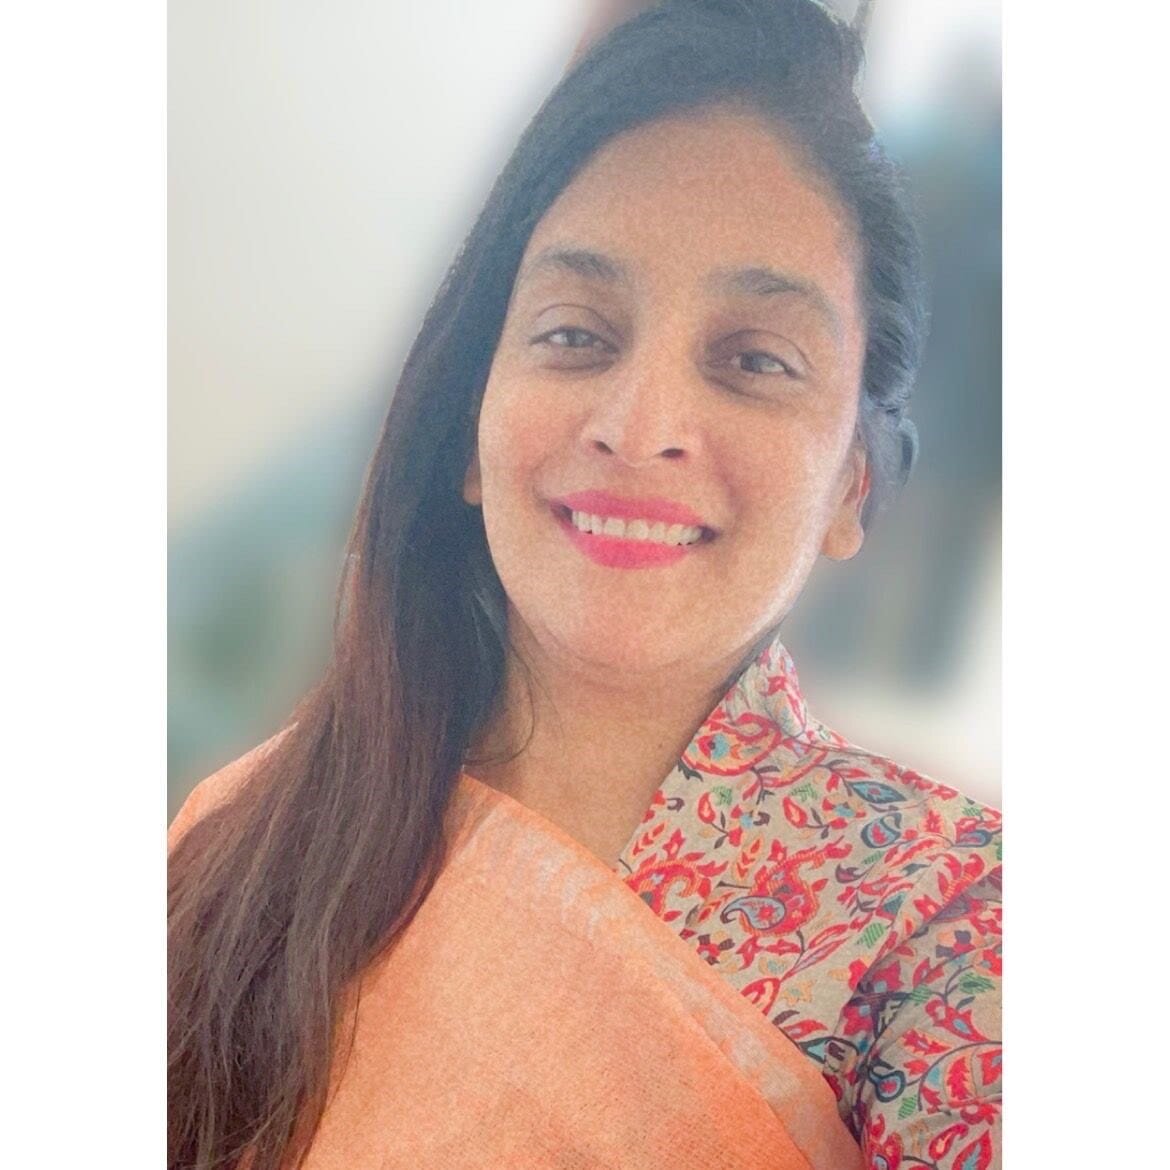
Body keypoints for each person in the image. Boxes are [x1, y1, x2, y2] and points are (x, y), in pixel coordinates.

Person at [168, 2, 1002, 1168]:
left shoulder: (953, 924)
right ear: (468, 432)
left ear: (851, 489)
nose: (640, 424)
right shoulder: (243, 838)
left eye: (754, 360)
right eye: (576, 335)